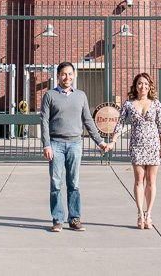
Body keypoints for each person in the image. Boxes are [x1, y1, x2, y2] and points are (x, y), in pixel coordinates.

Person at [40, 62, 108, 232]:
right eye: (63, 74)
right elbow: (44, 122)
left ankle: (75, 219)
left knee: (74, 183)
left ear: (74, 75)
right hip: (55, 144)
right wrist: (46, 145)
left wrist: (99, 141)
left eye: (70, 74)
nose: (67, 77)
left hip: (75, 144)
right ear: (58, 76)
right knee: (56, 183)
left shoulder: (80, 96)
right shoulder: (49, 95)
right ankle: (57, 219)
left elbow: (88, 120)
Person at [104, 72, 161, 229]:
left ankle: (149, 214)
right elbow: (120, 124)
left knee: (151, 180)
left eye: (146, 84)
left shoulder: (156, 103)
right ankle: (140, 213)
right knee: (139, 179)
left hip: (153, 145)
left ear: (150, 86)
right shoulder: (128, 104)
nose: (143, 86)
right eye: (140, 83)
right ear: (135, 86)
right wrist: (113, 141)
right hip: (137, 145)